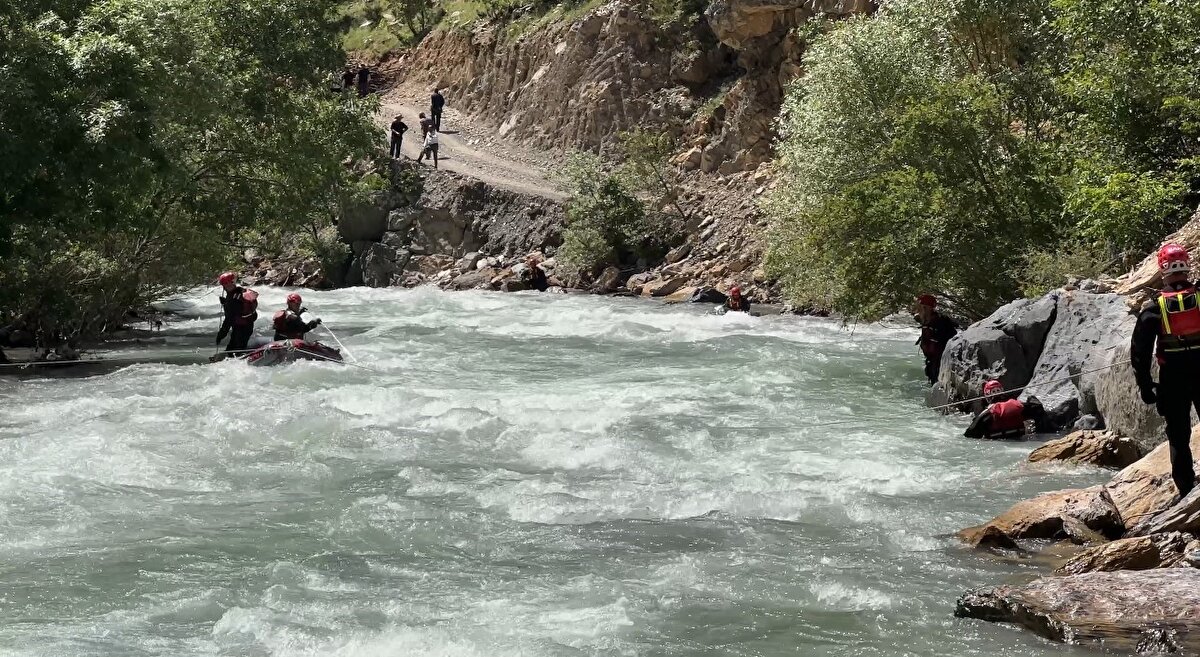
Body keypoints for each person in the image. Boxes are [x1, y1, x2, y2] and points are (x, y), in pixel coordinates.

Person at [1133, 243, 1200, 498]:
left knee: (1178, 433)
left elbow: (1139, 352)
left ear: (1162, 269)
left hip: (1173, 377)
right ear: (1187, 265)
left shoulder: (1153, 308)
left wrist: (1145, 385)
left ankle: (1186, 489)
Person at [964, 380, 1047, 440]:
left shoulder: (987, 414)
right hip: (1020, 439)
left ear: (987, 397)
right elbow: (1037, 407)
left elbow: (969, 435)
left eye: (997, 390)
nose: (996, 392)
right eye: (994, 391)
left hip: (996, 444)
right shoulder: (1017, 405)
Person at [916, 294, 958, 385]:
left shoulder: (940, 323)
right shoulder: (928, 322)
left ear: (925, 308)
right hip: (933, 364)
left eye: (919, 307)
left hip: (941, 365)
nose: (917, 310)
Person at [216, 272, 258, 354]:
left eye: (226, 284)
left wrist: (221, 334)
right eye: (225, 284)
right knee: (234, 347)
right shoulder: (240, 291)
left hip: (241, 328)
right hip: (247, 325)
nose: (226, 286)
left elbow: (229, 320)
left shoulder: (233, 300)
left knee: (235, 350)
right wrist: (226, 303)